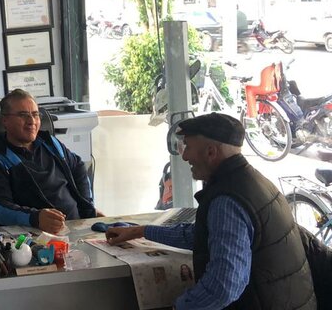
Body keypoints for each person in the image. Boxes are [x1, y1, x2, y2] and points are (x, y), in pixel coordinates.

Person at [106, 113, 316, 310]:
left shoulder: (227, 201)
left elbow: (224, 287)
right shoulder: (255, 182)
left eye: (188, 147)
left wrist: (180, 307)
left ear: (211, 152)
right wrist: (140, 231)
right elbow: (202, 235)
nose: (184, 156)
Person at [0, 89, 98, 233]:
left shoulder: (50, 143)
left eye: (35, 114)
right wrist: (35, 217)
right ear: (5, 120)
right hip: (35, 234)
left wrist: (88, 207)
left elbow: (78, 166)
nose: (31, 121)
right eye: (23, 115)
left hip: (76, 227)